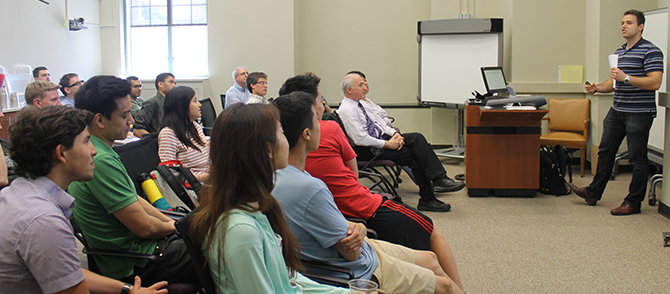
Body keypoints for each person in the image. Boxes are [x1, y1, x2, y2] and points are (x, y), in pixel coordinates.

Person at [278, 73, 464, 290]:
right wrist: (389, 144)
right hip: (363, 207)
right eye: (321, 101)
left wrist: (393, 137)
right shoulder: (325, 144)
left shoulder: (276, 177)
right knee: (432, 234)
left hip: (347, 221)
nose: (365, 86)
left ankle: (434, 184)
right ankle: (433, 188)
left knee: (414, 145)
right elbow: (354, 169)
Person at [0, 105, 167, 294]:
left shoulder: (15, 194)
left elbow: (69, 273)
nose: (94, 150)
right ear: (62, 153)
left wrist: (127, 290)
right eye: (86, 141)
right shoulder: (44, 222)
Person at [188, 103, 350, 293]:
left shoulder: (255, 205)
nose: (286, 139)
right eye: (281, 133)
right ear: (268, 150)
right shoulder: (241, 231)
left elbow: (286, 279)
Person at [68, 76, 199, 286]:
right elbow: (145, 228)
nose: (131, 121)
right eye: (124, 115)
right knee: (220, 253)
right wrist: (177, 227)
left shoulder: (101, 150)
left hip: (144, 248)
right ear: (100, 120)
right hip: (136, 261)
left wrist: (171, 222)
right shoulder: (99, 160)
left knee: (210, 239)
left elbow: (135, 200)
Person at [572, 9, 663, 215]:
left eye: (629, 23)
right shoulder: (620, 52)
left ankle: (633, 202)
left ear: (640, 27)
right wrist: (596, 88)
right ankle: (593, 192)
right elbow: (614, 82)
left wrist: (627, 78)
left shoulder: (651, 51)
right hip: (617, 110)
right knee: (605, 152)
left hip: (639, 113)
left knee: (637, 159)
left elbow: (655, 82)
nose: (624, 26)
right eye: (622, 23)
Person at [337, 72, 464, 212]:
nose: (365, 87)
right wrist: (388, 144)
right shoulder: (347, 109)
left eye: (364, 83)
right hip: (365, 149)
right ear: (349, 90)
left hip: (379, 139)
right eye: (360, 85)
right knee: (414, 155)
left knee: (417, 138)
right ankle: (429, 197)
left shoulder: (361, 103)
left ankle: (439, 179)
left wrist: (395, 135)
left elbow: (380, 125)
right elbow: (360, 139)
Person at [158, 86, 210, 182]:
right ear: (182, 106)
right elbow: (171, 175)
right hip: (195, 187)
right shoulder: (168, 134)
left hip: (209, 179)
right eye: (195, 101)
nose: (199, 105)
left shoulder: (194, 126)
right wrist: (209, 177)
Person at [133, 72, 177, 137]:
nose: (174, 85)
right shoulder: (152, 103)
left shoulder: (173, 103)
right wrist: (154, 141)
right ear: (160, 84)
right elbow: (137, 129)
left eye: (175, 83)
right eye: (171, 82)